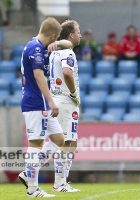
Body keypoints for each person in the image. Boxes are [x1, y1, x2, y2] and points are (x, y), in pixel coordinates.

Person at [18, 17, 72, 198]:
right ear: (53, 35)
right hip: (36, 103)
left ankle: (28, 173)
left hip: (40, 103)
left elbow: (68, 44)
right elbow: (39, 76)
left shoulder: (36, 45)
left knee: (59, 140)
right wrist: (51, 101)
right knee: (36, 144)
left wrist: (56, 43)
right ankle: (32, 189)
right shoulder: (36, 49)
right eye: (55, 39)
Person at [49, 19, 81, 192]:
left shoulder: (55, 52)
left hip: (59, 99)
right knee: (65, 142)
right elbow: (67, 72)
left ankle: (63, 180)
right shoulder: (67, 52)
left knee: (72, 142)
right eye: (78, 31)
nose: (80, 35)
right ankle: (59, 183)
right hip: (65, 100)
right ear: (71, 35)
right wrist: (74, 93)